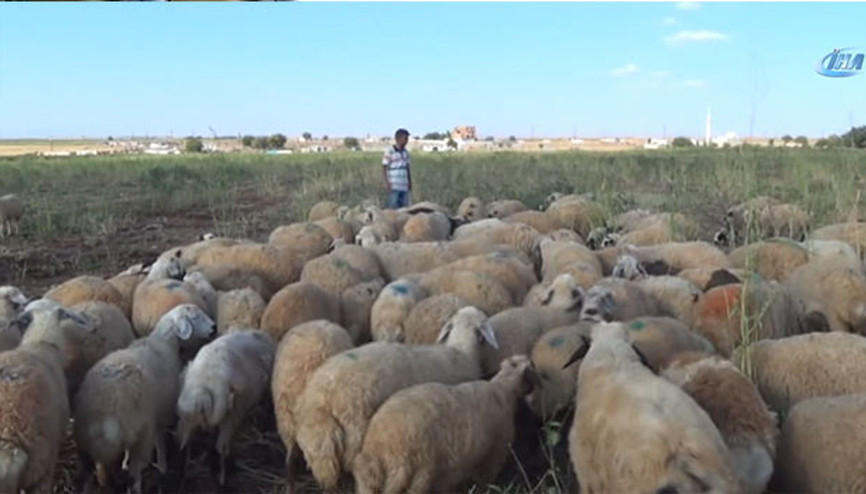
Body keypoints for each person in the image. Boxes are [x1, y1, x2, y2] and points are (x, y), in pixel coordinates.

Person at [382, 128, 412, 209]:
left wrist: (409, 181)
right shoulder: (390, 151)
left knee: (404, 208)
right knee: (393, 207)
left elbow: (407, 167)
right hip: (394, 185)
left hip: (404, 185)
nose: (407, 141)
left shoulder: (406, 152)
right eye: (405, 138)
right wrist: (386, 182)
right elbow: (384, 167)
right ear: (399, 138)